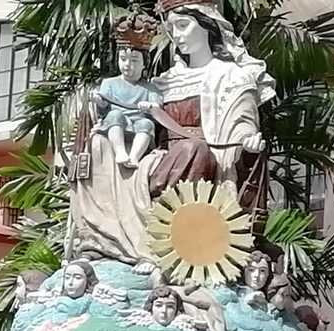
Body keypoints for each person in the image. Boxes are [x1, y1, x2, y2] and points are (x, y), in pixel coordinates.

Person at [72, 0, 275, 265]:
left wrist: (247, 142)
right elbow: (134, 121)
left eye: (183, 25)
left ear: (207, 24)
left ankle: (182, 234)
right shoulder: (163, 82)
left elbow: (242, 125)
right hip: (158, 162)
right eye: (171, 28)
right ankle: (103, 238)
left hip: (211, 162)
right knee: (99, 143)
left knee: (194, 150)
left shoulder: (232, 77)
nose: (176, 35)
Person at [94, 15, 162, 169]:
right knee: (115, 115)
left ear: (145, 63)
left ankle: (134, 156)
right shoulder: (109, 83)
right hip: (116, 125)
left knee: (147, 123)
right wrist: (99, 101)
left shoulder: (150, 88)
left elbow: (157, 107)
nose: (127, 65)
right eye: (123, 59)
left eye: (134, 60)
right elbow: (103, 104)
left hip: (138, 126)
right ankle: (120, 152)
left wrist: (150, 106)